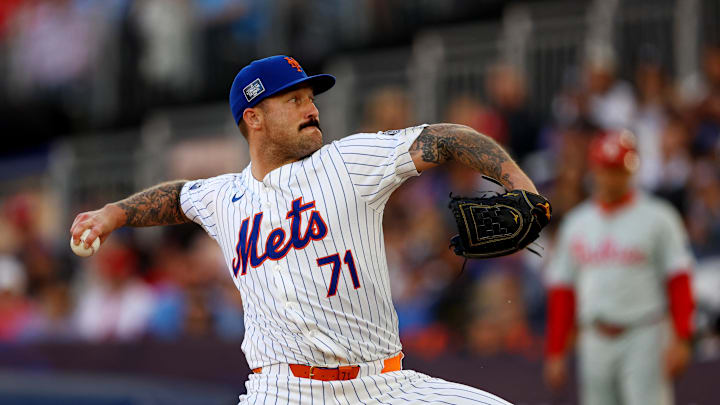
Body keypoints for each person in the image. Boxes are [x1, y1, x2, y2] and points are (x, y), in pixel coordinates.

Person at [71, 55, 541, 404]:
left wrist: (519, 183)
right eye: (293, 99)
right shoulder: (223, 196)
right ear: (253, 118)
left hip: (384, 384)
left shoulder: (349, 161)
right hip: (282, 390)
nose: (310, 107)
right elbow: (175, 198)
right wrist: (113, 213)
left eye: (310, 98)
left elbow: (445, 137)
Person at [543, 129, 695, 405]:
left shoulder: (658, 217)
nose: (611, 178)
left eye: (617, 170)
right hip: (594, 336)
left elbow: (679, 279)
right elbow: (562, 290)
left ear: (631, 171)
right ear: (594, 169)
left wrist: (682, 337)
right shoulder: (577, 223)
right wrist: (556, 350)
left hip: (644, 333)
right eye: (605, 169)